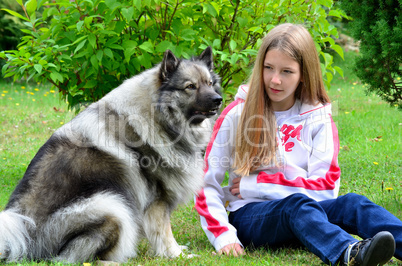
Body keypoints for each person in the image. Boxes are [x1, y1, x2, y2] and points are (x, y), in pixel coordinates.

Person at [195, 23, 402, 266]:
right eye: (268, 68)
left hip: (308, 217)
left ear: (303, 73)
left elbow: (325, 189)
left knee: (353, 203)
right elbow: (204, 183)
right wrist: (223, 235)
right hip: (252, 218)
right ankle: (350, 253)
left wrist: (256, 184)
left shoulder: (318, 117)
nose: (275, 79)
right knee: (296, 205)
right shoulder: (238, 114)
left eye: (286, 72)